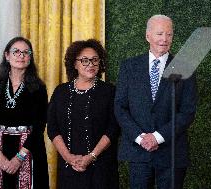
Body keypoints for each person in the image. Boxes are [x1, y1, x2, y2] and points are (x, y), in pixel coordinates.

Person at [114, 15, 197, 189]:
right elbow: (120, 107)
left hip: (172, 154)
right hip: (138, 152)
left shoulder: (185, 66)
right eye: (160, 33)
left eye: (169, 34)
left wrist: (157, 138)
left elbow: (187, 112)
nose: (165, 39)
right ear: (148, 36)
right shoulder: (129, 67)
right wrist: (141, 138)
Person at [47, 39, 119, 189]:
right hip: (69, 167)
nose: (91, 65)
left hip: (101, 168)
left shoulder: (109, 91)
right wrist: (68, 157)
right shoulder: (61, 91)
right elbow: (52, 128)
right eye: (84, 60)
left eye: (95, 60)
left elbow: (113, 129)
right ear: (74, 64)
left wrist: (91, 156)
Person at [0, 37, 49, 189]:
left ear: (30, 57)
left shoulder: (38, 87)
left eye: (26, 52)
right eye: (16, 52)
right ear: (7, 56)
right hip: (0, 150)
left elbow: (40, 126)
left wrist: (19, 157)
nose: (21, 55)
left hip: (29, 149)